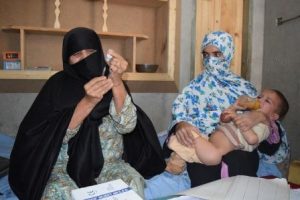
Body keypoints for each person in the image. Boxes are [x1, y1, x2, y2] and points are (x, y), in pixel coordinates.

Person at [8, 27, 166, 200]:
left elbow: (127, 126)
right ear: (67, 59)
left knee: (132, 186)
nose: (85, 58)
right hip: (60, 168)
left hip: (110, 165)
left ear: (99, 52)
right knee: (59, 194)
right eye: (77, 54)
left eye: (90, 51)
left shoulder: (111, 80)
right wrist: (88, 102)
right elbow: (49, 136)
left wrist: (117, 81)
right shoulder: (57, 86)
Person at [163, 31, 265, 186]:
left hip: (234, 142)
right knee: (204, 168)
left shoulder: (245, 88)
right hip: (203, 144)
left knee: (240, 161)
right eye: (206, 54)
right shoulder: (193, 88)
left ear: (228, 54)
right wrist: (181, 124)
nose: (210, 60)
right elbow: (179, 114)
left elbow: (265, 115)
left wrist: (259, 116)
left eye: (217, 54)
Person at [165, 89, 289, 173]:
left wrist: (240, 121)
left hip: (218, 150)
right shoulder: (245, 112)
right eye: (260, 96)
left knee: (212, 156)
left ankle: (189, 140)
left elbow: (252, 140)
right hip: (212, 137)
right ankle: (178, 157)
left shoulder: (265, 127)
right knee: (195, 143)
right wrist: (234, 108)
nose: (260, 100)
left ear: (274, 116)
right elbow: (223, 119)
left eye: (267, 101)